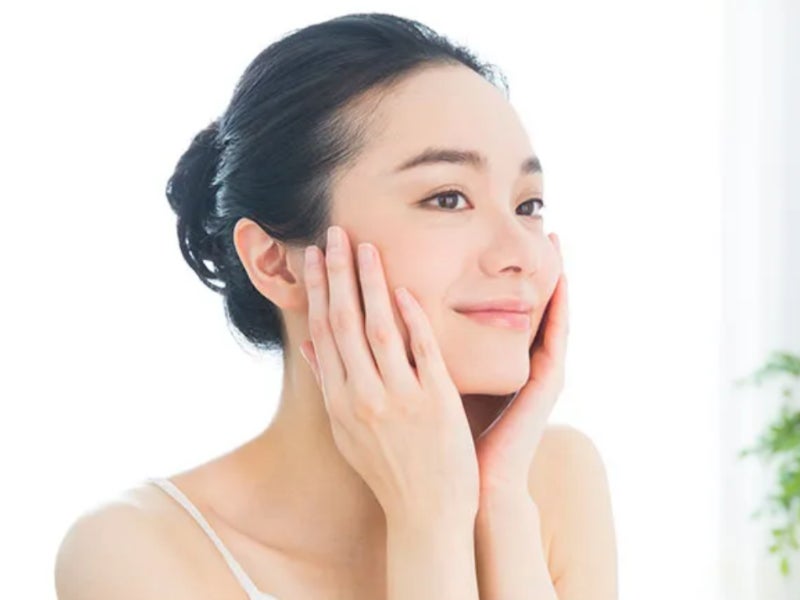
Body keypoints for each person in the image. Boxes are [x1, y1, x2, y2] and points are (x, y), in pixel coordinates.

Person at [54, 11, 617, 600]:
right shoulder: (137, 549)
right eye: (448, 198)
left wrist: (499, 503)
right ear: (275, 262)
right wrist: (429, 519)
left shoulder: (550, 480)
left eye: (528, 206)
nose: (521, 254)